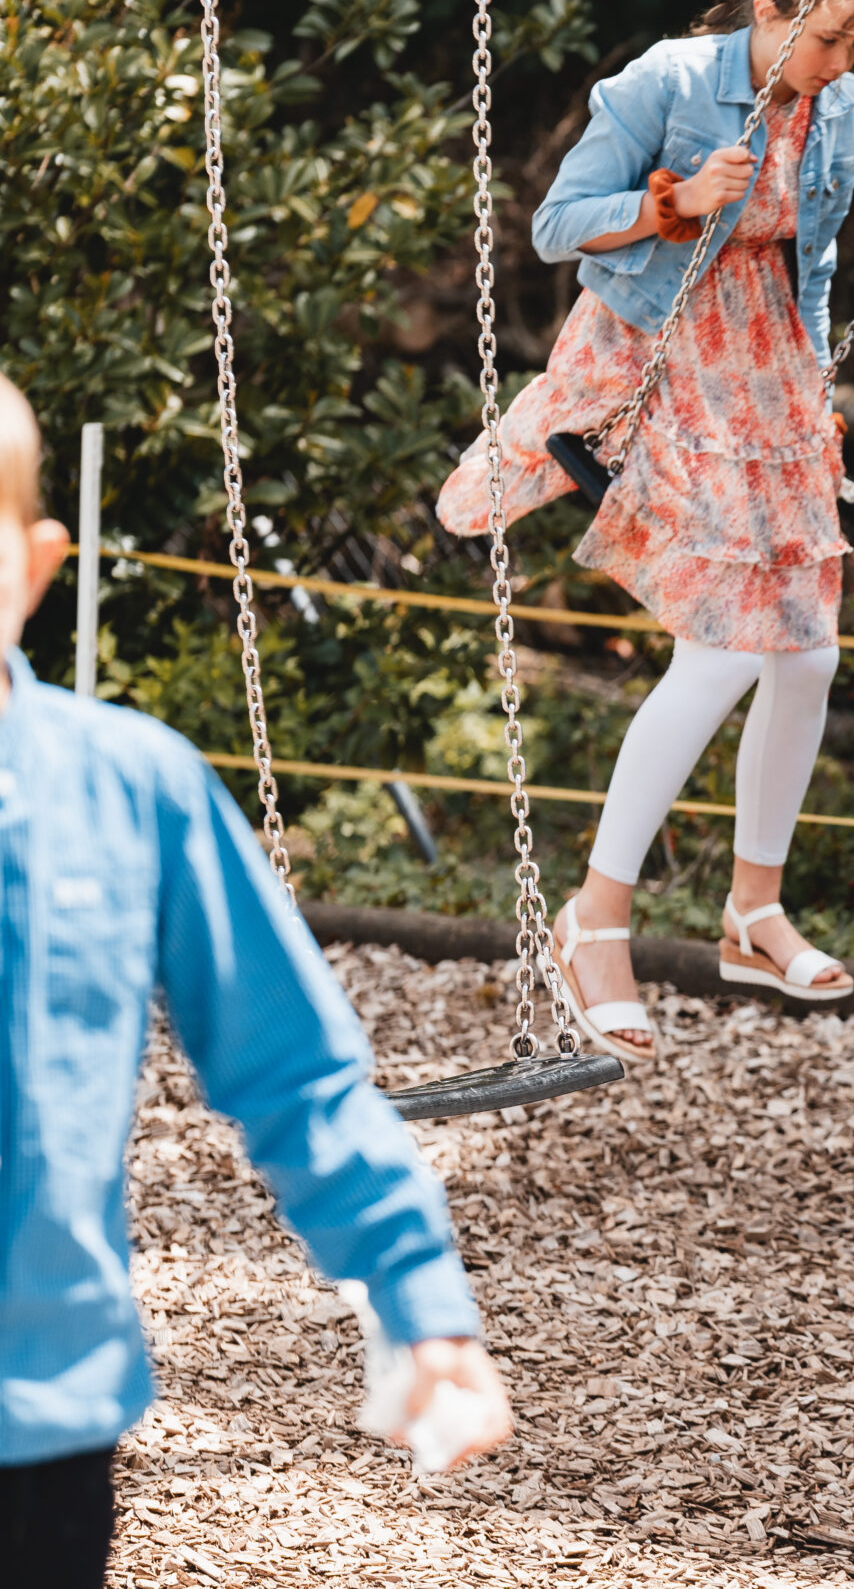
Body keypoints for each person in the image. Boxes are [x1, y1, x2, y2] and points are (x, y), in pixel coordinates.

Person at [0, 374, 512, 1588]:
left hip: (41, 1422)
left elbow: (294, 1070)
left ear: (36, 562)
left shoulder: (135, 791)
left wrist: (415, 1290)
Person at [438, 0, 854, 1062]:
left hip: (768, 373)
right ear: (768, 12)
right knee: (726, 648)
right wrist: (676, 200)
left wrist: (813, 383)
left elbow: (814, 261)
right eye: (825, 40)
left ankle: (753, 910)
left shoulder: (840, 108)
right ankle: (595, 919)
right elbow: (557, 227)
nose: (839, 64)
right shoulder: (671, 82)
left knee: (809, 655)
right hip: (662, 353)